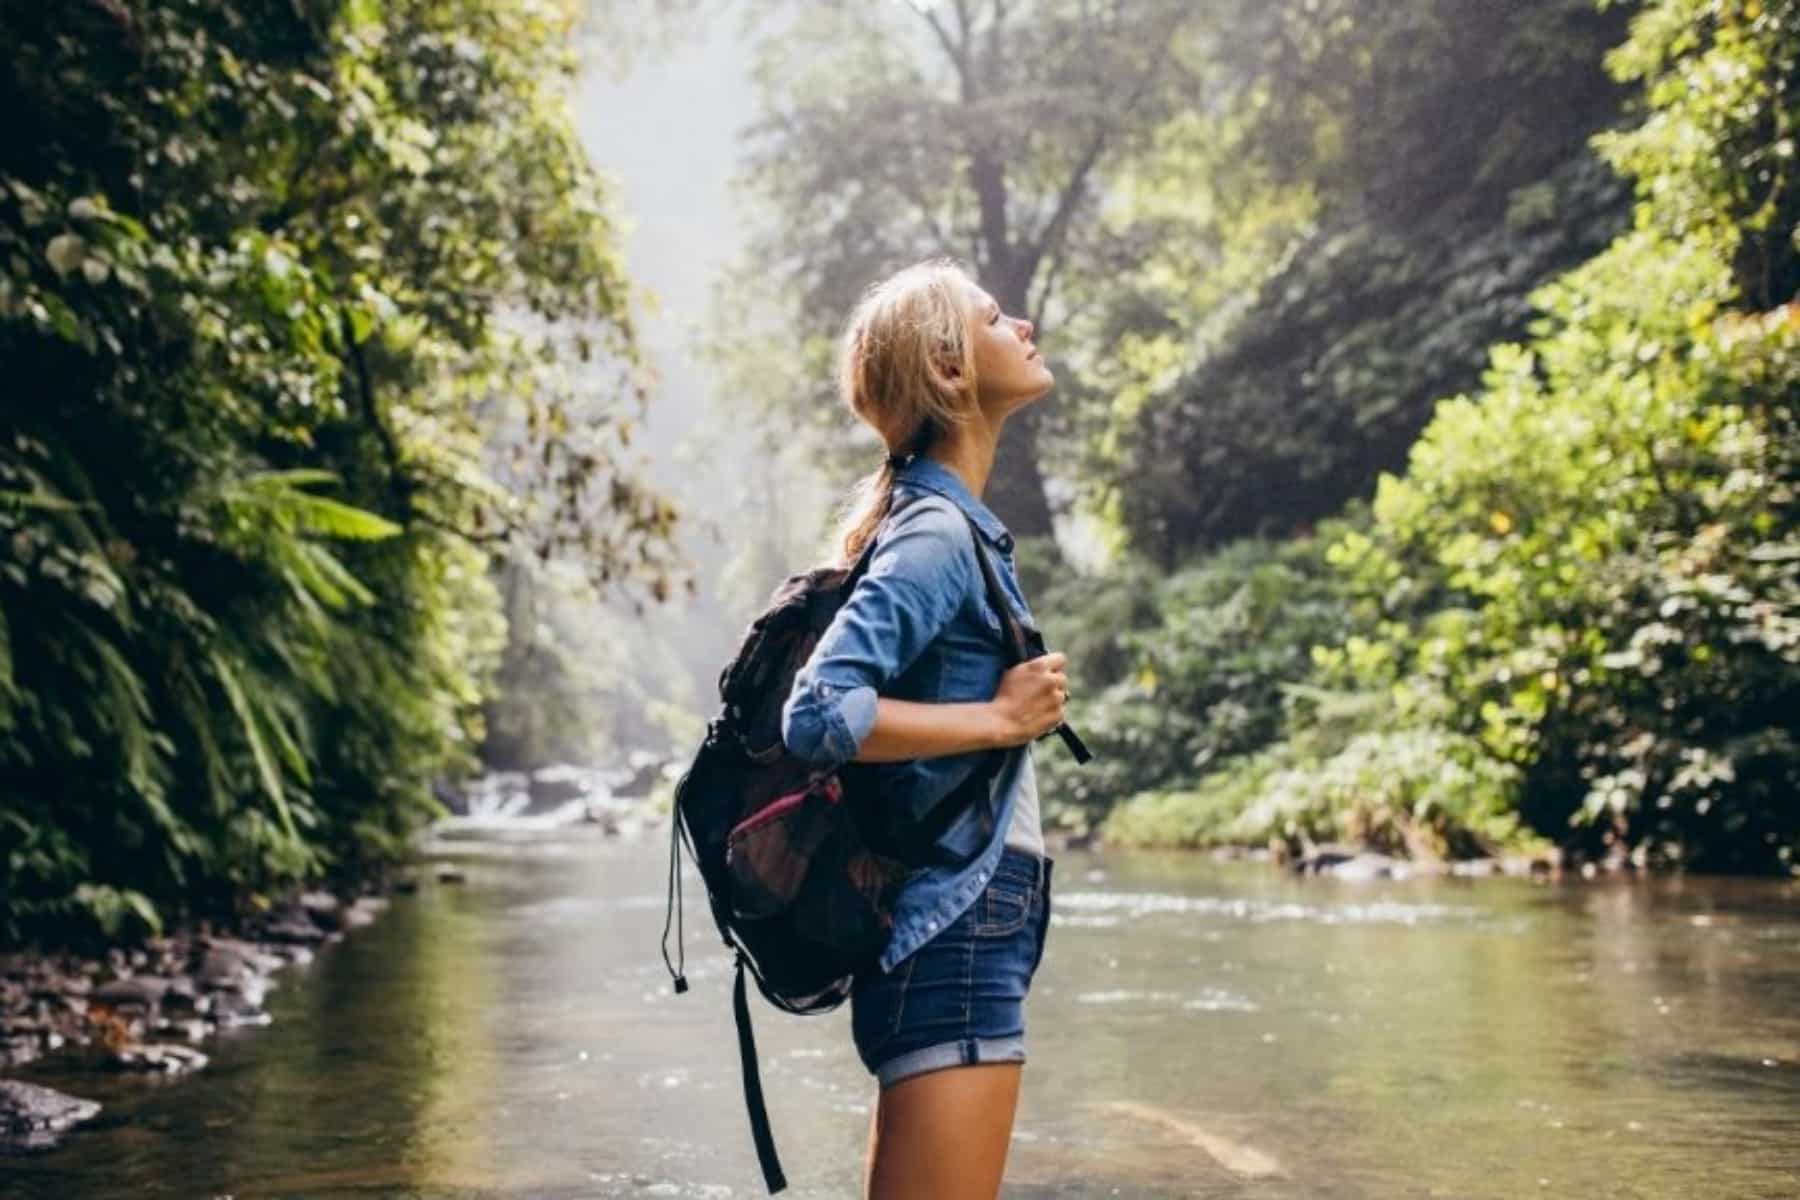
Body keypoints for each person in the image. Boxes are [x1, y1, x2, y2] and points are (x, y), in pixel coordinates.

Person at [780, 258, 1069, 1199]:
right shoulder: (938, 534)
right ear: (950, 369)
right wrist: (997, 718)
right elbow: (819, 714)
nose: (1021, 324)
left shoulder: (953, 526)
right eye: (994, 318)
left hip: (970, 922)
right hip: (954, 930)